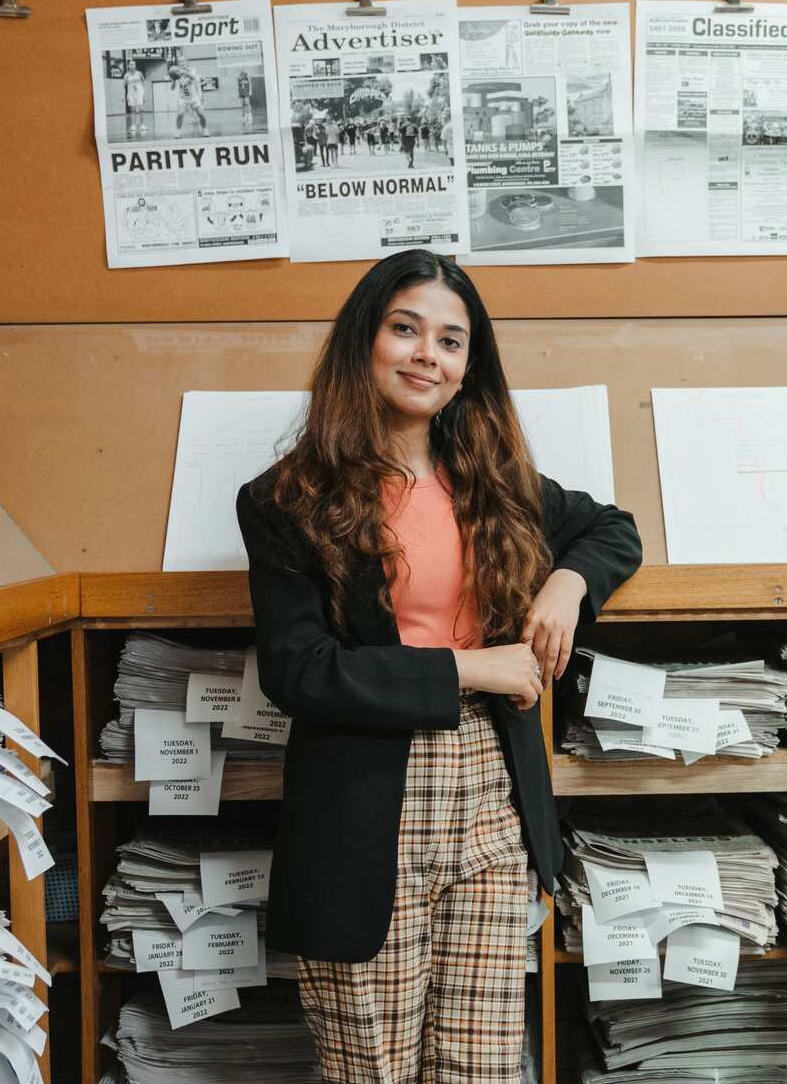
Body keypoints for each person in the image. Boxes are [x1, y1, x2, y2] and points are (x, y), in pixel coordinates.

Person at [235, 250, 642, 1083]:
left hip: (493, 799)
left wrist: (565, 585)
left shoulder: (495, 483)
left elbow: (613, 530)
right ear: (365, 342)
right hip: (365, 807)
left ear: (467, 369)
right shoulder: (285, 499)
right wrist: (468, 669)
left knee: (481, 1069)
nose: (429, 354)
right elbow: (299, 669)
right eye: (406, 329)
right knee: (374, 1070)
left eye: (452, 341)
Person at [169, 63, 209, 138]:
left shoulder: (192, 70)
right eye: (180, 62)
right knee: (180, 114)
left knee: (201, 114)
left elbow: (193, 77)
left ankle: (205, 129)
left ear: (186, 62)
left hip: (193, 97)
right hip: (183, 98)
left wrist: (184, 73)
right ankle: (178, 131)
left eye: (183, 61)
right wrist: (173, 80)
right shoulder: (178, 74)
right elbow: (172, 88)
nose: (182, 63)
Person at [123, 60, 147, 137]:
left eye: (134, 64)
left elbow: (144, 82)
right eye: (131, 64)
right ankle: (133, 125)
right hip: (131, 94)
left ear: (135, 66)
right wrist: (123, 96)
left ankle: (142, 125)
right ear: (128, 66)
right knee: (132, 110)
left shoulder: (139, 73)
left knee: (141, 109)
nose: (133, 65)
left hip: (139, 93)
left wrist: (144, 93)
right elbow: (123, 86)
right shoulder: (126, 75)